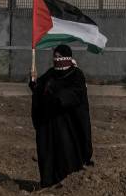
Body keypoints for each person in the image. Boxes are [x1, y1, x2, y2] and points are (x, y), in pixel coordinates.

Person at [29, 44, 93, 188]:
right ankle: (48, 182)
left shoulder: (76, 75)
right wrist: (34, 83)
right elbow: (40, 89)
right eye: (55, 57)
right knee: (48, 153)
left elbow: (76, 94)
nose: (57, 59)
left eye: (60, 56)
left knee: (66, 153)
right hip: (49, 124)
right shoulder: (51, 73)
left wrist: (58, 96)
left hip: (68, 124)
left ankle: (66, 183)